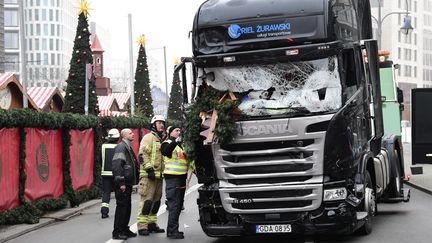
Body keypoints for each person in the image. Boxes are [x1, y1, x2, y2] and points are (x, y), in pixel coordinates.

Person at [161, 125, 193, 239]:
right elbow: (166, 152)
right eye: (176, 130)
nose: (179, 132)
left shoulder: (180, 146)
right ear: (170, 132)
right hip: (172, 178)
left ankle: (174, 230)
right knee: (174, 205)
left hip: (181, 178)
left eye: (180, 130)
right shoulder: (167, 143)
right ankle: (172, 232)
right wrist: (175, 142)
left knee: (179, 205)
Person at [137, 115, 166, 236]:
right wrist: (149, 170)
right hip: (149, 176)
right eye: (159, 123)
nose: (162, 125)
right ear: (153, 125)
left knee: (156, 201)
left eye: (163, 123)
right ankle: (142, 226)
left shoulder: (162, 138)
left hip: (159, 176)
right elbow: (142, 154)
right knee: (147, 201)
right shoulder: (148, 137)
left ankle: (152, 224)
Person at [111, 129, 139, 240]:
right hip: (123, 183)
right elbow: (117, 166)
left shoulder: (127, 146)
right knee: (122, 207)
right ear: (124, 135)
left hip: (128, 183)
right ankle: (117, 232)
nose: (133, 134)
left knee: (127, 207)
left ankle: (124, 229)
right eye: (130, 133)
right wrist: (121, 182)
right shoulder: (121, 147)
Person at [100, 128, 120, 219]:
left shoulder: (103, 146)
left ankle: (104, 212)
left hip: (105, 173)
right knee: (118, 192)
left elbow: (100, 159)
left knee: (106, 192)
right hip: (117, 174)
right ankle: (119, 212)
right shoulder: (119, 147)